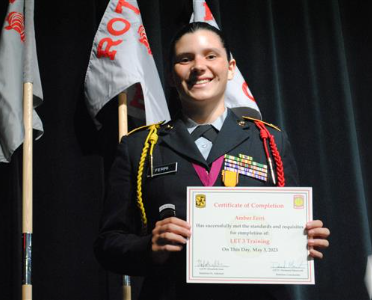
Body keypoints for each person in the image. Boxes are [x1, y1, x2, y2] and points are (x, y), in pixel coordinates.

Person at [94, 22, 330, 300]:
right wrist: (149, 248)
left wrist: (302, 238)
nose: (198, 66)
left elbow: (287, 227)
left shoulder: (270, 142)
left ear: (230, 68)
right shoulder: (139, 147)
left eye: (210, 55)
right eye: (185, 59)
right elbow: (107, 244)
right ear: (171, 75)